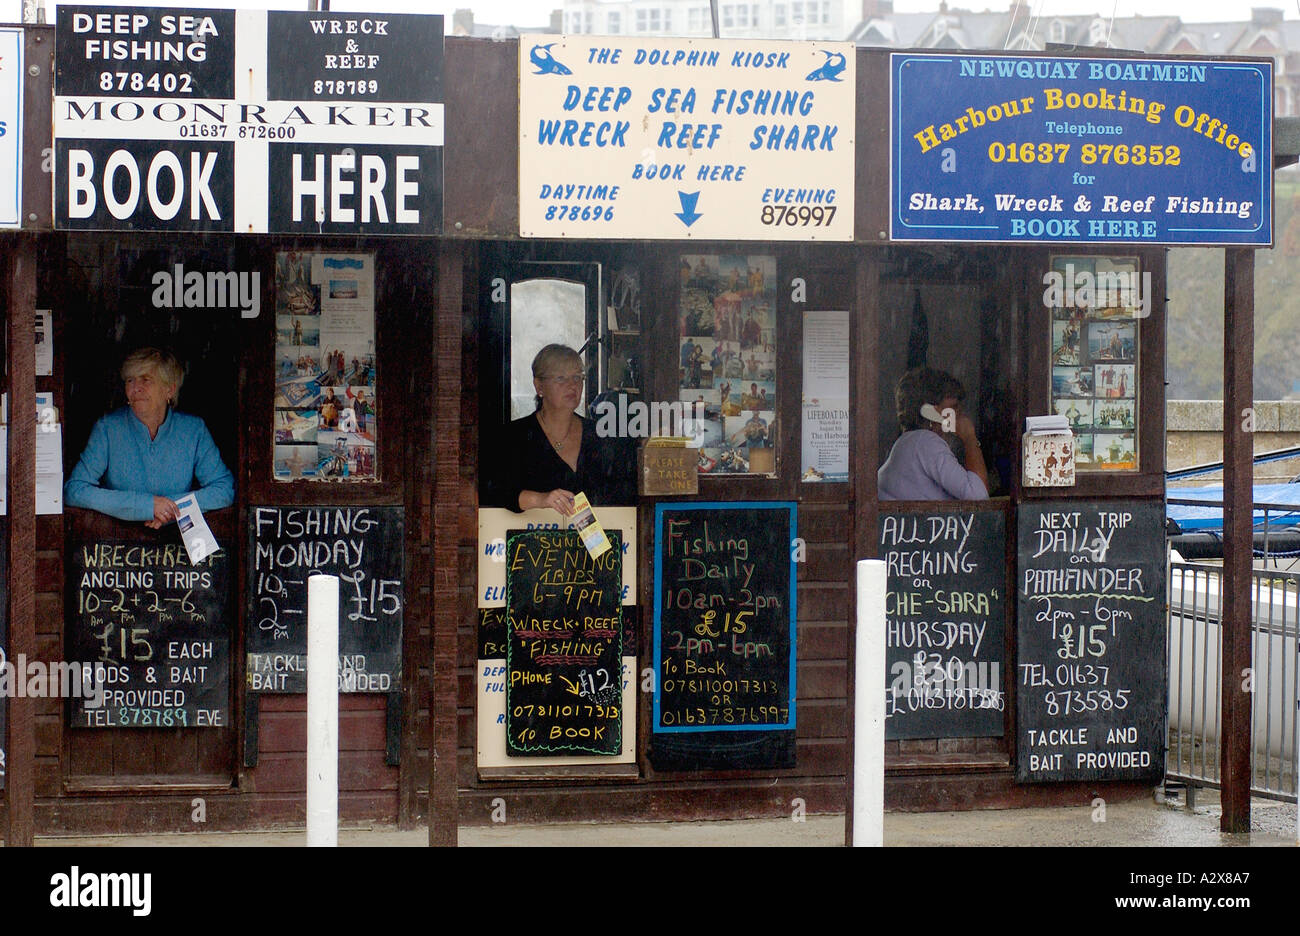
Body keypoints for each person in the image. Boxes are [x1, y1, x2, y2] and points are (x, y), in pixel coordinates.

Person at [65, 347, 234, 527]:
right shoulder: (107, 428)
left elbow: (224, 489)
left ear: (169, 390)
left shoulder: (193, 430)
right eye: (130, 380)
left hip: (176, 546)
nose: (136, 388)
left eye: (146, 380)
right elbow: (75, 490)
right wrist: (145, 506)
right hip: (117, 544)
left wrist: (170, 508)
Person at [501, 344, 625, 514]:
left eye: (577, 377)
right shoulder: (515, 436)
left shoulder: (599, 434)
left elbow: (621, 491)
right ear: (539, 386)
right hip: (537, 537)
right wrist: (542, 499)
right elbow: (498, 491)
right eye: (560, 378)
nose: (572, 385)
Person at [878, 367, 989, 501]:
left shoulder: (908, 443)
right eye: (954, 407)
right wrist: (969, 438)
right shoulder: (926, 442)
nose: (960, 413)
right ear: (930, 412)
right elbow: (979, 497)